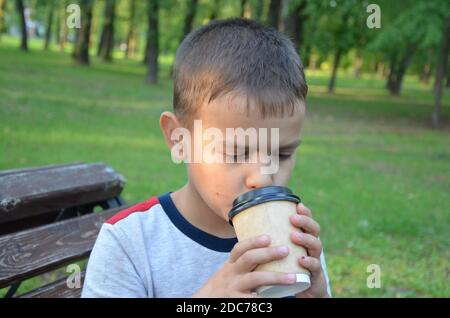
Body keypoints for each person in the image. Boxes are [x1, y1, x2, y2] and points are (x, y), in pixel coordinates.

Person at [82, 18, 331, 298]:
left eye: (282, 153)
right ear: (179, 139)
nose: (262, 177)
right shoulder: (130, 243)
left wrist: (318, 295)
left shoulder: (292, 238)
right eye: (236, 152)